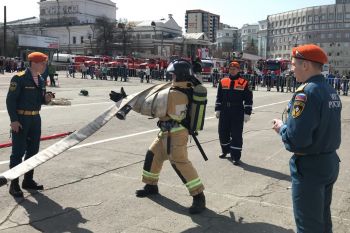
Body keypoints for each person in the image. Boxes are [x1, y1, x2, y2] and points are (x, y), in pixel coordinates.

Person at [112, 59, 206, 214]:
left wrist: (125, 102)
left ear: (180, 76)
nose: (171, 77)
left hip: (176, 135)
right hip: (166, 133)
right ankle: (151, 185)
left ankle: (199, 197)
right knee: (153, 155)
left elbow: (151, 108)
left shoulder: (176, 94)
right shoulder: (181, 88)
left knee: (180, 163)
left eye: (173, 75)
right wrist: (127, 99)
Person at [272, 44, 341, 233]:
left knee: (308, 225)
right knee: (323, 220)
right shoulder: (330, 90)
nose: (291, 69)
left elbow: (297, 139)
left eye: (294, 65)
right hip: (329, 161)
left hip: (310, 166)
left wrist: (282, 128)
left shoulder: (306, 93)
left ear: (306, 66)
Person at [6, 52, 55, 198]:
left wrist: (46, 99)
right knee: (18, 153)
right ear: (34, 63)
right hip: (21, 119)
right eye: (42, 63)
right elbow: (10, 100)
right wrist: (14, 120)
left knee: (33, 151)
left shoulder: (40, 79)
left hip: (35, 119)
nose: (44, 66)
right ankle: (14, 185)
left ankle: (28, 180)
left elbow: (40, 100)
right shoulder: (19, 78)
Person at [215, 61, 253, 165]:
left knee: (236, 134)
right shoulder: (223, 81)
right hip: (224, 110)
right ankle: (225, 150)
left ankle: (235, 156)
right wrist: (217, 109)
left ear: (238, 70)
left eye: (234, 69)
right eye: (231, 69)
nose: (232, 70)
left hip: (237, 111)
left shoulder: (244, 82)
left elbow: (249, 99)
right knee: (222, 132)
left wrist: (247, 113)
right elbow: (219, 97)